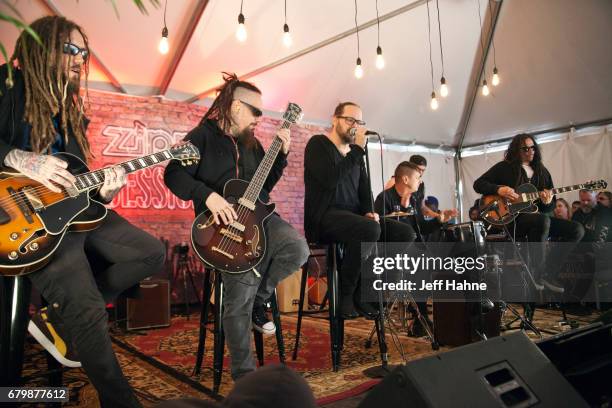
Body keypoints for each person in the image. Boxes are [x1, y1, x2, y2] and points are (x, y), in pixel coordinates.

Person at [0, 16, 165, 407]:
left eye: (82, 52)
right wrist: (17, 156)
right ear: (41, 49)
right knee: (88, 304)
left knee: (150, 252)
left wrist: (104, 192)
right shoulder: (8, 84)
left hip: (72, 213)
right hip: (23, 223)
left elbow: (78, 177)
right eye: (69, 49)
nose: (78, 59)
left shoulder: (70, 108)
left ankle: (61, 319)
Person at [164, 73, 308, 380]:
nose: (259, 117)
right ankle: (245, 378)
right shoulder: (201, 137)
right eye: (255, 110)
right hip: (222, 230)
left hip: (261, 220)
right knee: (237, 298)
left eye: (262, 111)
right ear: (233, 106)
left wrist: (280, 157)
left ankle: (260, 298)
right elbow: (173, 175)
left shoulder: (252, 144)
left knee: (298, 249)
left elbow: (264, 186)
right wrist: (207, 196)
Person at [304, 102, 416, 319]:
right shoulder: (318, 144)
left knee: (404, 233)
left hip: (354, 220)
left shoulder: (355, 155)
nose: (355, 126)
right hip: (324, 218)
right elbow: (329, 179)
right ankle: (345, 295)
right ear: (334, 119)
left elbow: (364, 189)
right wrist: (356, 150)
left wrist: (369, 211)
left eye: (359, 122)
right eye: (350, 120)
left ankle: (371, 294)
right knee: (369, 230)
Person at [473, 133, 584, 293]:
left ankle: (548, 272)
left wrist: (547, 202)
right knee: (542, 221)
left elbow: (548, 207)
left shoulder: (542, 172)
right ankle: (536, 273)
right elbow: (478, 184)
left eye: (533, 147)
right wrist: (499, 189)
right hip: (510, 220)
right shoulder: (504, 167)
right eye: (525, 148)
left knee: (577, 229)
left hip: (536, 221)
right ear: (516, 150)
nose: (530, 151)